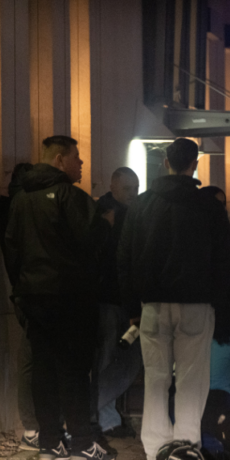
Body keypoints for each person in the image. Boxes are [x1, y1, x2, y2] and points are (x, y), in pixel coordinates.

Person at [118, 138, 230, 460]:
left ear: (166, 162)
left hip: (152, 304)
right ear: (193, 164)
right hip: (196, 303)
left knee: (156, 378)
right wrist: (217, 299)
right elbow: (226, 257)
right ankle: (186, 445)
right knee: (191, 379)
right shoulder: (208, 206)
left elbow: (124, 259)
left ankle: (156, 451)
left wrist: (132, 308)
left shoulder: (141, 205)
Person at [4, 135, 114, 460]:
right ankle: (83, 443)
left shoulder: (21, 199)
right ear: (59, 160)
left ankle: (51, 443)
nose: (80, 163)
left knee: (43, 368)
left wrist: (21, 290)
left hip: (33, 296)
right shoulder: (69, 196)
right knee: (74, 369)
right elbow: (94, 244)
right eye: (76, 157)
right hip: (70, 296)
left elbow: (11, 249)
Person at [0, 163, 43, 451]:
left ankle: (34, 427)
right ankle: (33, 428)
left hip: (24, 292)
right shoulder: (21, 211)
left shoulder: (11, 210)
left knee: (31, 360)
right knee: (31, 360)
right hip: (31, 293)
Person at [95, 167, 143, 440]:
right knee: (122, 360)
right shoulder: (117, 216)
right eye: (128, 189)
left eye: (135, 189)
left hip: (110, 298)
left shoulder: (103, 212)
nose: (133, 194)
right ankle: (99, 413)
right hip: (115, 299)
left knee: (110, 360)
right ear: (114, 186)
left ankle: (104, 416)